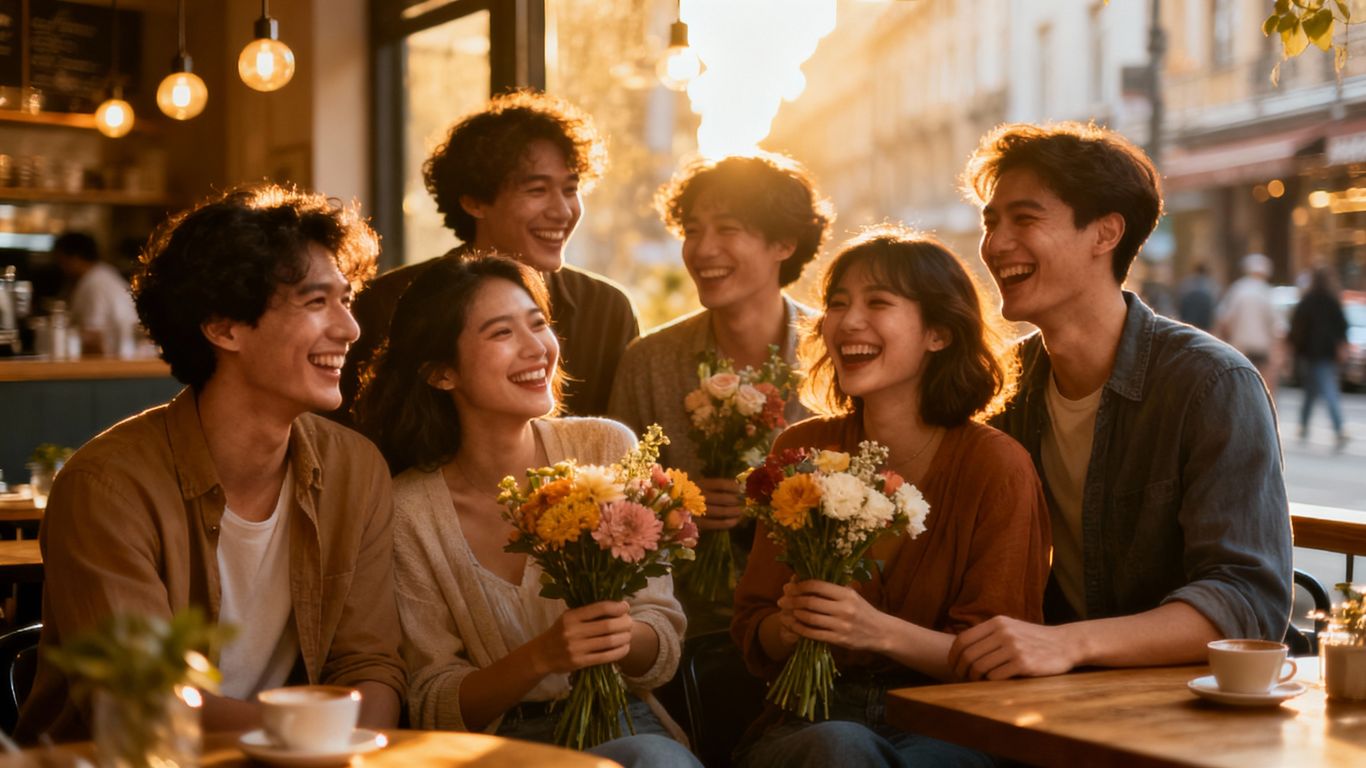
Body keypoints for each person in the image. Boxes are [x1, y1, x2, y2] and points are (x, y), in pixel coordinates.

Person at [16, 185, 406, 742]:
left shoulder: (355, 468)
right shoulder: (106, 487)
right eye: (317, 302)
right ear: (224, 328)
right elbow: (144, 698)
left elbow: (369, 665)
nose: (350, 329)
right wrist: (311, 735)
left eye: (346, 300)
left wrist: (335, 751)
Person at [950, 122, 1291, 681]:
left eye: (1025, 218)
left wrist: (1068, 645)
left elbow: (1248, 604)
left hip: (1184, 704)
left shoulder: (1211, 382)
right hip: (1041, 699)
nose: (995, 243)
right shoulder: (1002, 386)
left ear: (1106, 233)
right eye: (992, 222)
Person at [352, 255, 698, 767]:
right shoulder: (407, 510)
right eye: (501, 333)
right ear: (441, 373)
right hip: (496, 749)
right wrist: (542, 656)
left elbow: (662, 641)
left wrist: (622, 638)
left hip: (626, 723)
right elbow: (433, 702)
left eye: (538, 323)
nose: (537, 347)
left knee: (653, 757)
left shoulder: (605, 447)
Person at [731, 227, 1051, 768]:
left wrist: (875, 631)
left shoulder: (997, 467)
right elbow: (752, 631)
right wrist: (788, 626)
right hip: (809, 719)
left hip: (950, 726)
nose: (847, 320)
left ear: (939, 333)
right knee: (839, 744)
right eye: (837, 303)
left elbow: (1001, 663)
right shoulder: (801, 448)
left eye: (878, 302)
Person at [607, 153, 834, 630]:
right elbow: (615, 507)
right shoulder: (648, 361)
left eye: (727, 229)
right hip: (680, 624)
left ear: (784, 243)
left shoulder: (837, 349)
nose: (703, 249)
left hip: (808, 617)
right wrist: (676, 512)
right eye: (692, 230)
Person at [340, 90, 638, 419]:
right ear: (474, 202)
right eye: (537, 190)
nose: (563, 211)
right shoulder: (389, 302)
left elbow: (622, 454)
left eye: (570, 189)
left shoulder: (609, 309)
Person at [1290, 267, 1349, 450]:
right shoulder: (1332, 300)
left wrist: (1295, 348)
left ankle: (1306, 425)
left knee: (1315, 389)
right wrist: (1340, 346)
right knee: (1320, 390)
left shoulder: (1308, 300)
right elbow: (1342, 326)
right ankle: (1335, 427)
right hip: (1325, 352)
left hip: (1310, 352)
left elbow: (1297, 326)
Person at [52, 232, 138, 356]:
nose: (61, 267)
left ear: (75, 258)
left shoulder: (94, 283)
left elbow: (94, 336)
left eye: (61, 261)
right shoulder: (103, 273)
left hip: (117, 361)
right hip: (126, 357)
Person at [1216, 252, 1284, 396]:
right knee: (1265, 388)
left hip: (1241, 346)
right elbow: (1277, 326)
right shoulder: (1266, 292)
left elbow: (1224, 319)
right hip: (1262, 347)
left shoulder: (1238, 290)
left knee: (1240, 385)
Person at [1176, 262, 1218, 331]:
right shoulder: (1212, 285)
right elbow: (1215, 304)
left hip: (1188, 319)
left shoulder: (1187, 283)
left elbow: (1180, 300)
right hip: (1204, 320)